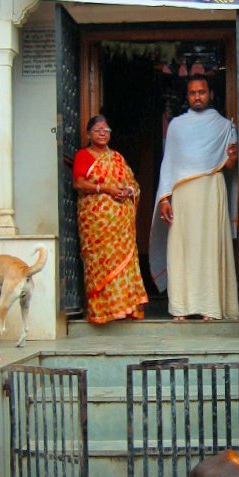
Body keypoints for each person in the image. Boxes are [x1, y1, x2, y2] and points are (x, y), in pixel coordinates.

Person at [149, 75, 239, 322]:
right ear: (187, 96)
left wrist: (232, 158)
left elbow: (230, 166)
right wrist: (165, 198)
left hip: (211, 191)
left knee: (209, 246)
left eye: (201, 92)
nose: (197, 96)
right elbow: (169, 163)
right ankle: (181, 307)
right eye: (192, 93)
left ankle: (209, 307)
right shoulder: (177, 126)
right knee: (182, 248)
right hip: (183, 195)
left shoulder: (224, 126)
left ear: (210, 94)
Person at [73, 115, 148, 325]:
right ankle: (102, 310)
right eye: (97, 130)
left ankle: (125, 308)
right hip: (95, 223)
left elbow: (133, 184)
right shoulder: (83, 156)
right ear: (89, 134)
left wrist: (128, 191)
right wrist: (105, 189)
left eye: (106, 130)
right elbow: (79, 184)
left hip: (120, 225)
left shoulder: (117, 158)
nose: (102, 133)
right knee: (100, 264)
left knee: (122, 264)